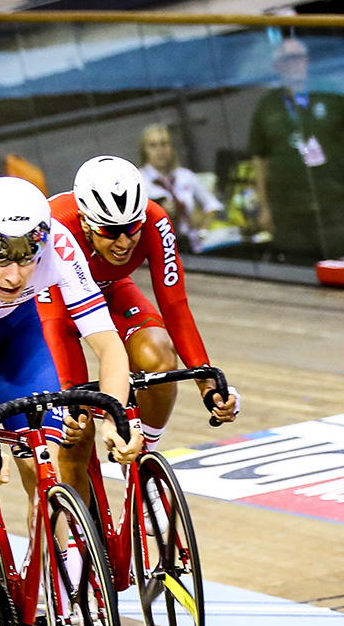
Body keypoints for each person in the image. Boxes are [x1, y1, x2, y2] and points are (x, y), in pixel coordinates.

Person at [0, 175, 142, 500]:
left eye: (27, 257)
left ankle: (64, 550)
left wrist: (117, 418)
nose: (14, 275)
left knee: (44, 463)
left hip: (14, 327)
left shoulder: (59, 246)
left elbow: (109, 346)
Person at [41, 157, 239, 490]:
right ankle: (82, 537)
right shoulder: (55, 227)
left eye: (132, 229)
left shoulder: (156, 221)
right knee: (78, 429)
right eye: (109, 232)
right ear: (85, 223)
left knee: (159, 356)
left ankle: (143, 463)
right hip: (53, 307)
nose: (123, 242)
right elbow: (54, 325)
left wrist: (206, 380)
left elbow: (175, 307)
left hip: (110, 291)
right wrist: (68, 396)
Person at [246, 36, 344, 259]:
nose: (294, 63)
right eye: (287, 59)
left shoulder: (329, 92)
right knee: (298, 267)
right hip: (289, 211)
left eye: (299, 57)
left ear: (307, 61)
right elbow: (259, 160)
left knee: (343, 263)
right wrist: (263, 207)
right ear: (276, 66)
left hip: (334, 206)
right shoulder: (267, 105)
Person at [137, 123, 222, 248]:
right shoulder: (137, 181)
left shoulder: (185, 175)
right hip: (159, 247)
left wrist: (203, 230)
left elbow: (212, 204)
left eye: (164, 144)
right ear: (144, 150)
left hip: (192, 243)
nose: (160, 150)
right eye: (153, 145)